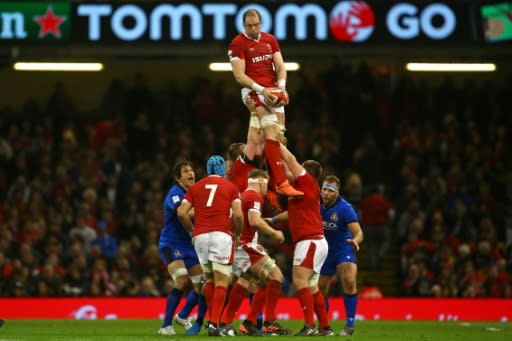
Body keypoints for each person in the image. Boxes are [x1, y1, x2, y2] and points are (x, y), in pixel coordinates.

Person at [228, 8, 303, 198]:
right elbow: (239, 76)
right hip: (254, 91)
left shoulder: (270, 40)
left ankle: (234, 182)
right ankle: (281, 182)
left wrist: (282, 87)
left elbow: (280, 66)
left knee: (269, 139)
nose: (253, 28)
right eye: (249, 25)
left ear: (260, 23)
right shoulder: (237, 44)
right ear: (243, 25)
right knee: (270, 130)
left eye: (256, 25)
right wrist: (262, 90)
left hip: (273, 91)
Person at [268, 145, 332, 336]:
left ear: (306, 172)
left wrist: (277, 143)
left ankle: (309, 326)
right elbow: (292, 213)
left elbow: (291, 163)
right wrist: (272, 220)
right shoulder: (301, 190)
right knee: (311, 286)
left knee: (299, 281)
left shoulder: (308, 182)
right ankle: (325, 327)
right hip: (315, 241)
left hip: (309, 241)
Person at [219, 169, 291, 336]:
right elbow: (254, 221)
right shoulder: (254, 197)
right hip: (246, 246)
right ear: (260, 182)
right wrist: (275, 234)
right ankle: (269, 322)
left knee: (252, 282)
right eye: (266, 185)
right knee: (276, 276)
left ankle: (235, 323)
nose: (267, 190)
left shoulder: (242, 196)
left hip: (237, 245)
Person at [177, 155, 243, 336]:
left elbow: (182, 212)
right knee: (222, 280)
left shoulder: (195, 187)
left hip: (200, 237)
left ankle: (211, 322)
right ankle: (214, 324)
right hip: (221, 234)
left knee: (209, 280)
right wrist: (237, 233)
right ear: (223, 170)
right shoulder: (231, 187)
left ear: (207, 170)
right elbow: (237, 215)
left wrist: (192, 231)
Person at [157, 161, 207, 336]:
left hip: (189, 245)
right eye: (186, 171)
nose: (191, 173)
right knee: (182, 280)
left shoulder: (194, 194)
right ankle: (165, 325)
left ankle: (183, 315)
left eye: (192, 170)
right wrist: (205, 208)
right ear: (178, 178)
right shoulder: (175, 193)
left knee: (203, 285)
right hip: (171, 244)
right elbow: (183, 213)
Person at [318, 175, 364, 337]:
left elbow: (358, 232)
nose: (326, 193)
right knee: (320, 289)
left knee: (350, 281)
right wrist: (275, 219)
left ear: (337, 193)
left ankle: (350, 323)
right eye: (324, 189)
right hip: (324, 250)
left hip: (344, 247)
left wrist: (355, 241)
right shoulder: (316, 204)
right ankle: (324, 325)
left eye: (330, 191)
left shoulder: (345, 208)